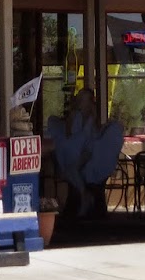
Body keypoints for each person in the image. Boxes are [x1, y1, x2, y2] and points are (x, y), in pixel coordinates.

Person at [48, 88, 124, 218]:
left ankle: (85, 198)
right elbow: (68, 133)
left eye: (85, 99)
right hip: (77, 147)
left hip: (89, 147)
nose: (84, 102)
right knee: (70, 170)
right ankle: (84, 196)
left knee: (73, 169)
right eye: (82, 99)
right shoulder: (75, 114)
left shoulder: (92, 114)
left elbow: (94, 132)